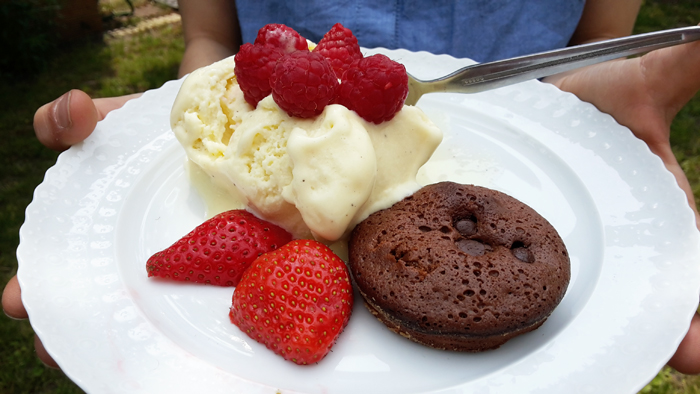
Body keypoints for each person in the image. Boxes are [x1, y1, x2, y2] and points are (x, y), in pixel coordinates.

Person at [3, 0, 700, 376]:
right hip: (274, 101)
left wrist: (575, 103)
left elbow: (599, 32)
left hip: (451, 129)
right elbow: (208, 38)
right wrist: (186, 100)